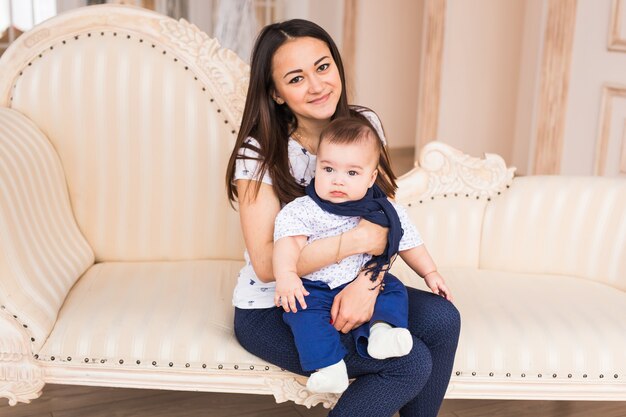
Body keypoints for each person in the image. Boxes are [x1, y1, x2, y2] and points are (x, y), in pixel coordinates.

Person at [225, 18, 460, 417]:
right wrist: (353, 244)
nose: (317, 86)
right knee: (409, 362)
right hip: (281, 303)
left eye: (322, 66)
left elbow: (384, 221)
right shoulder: (260, 152)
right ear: (276, 93)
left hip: (351, 279)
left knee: (444, 320)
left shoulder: (365, 126)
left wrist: (367, 287)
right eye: (296, 78)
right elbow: (267, 265)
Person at [272, 116, 452, 394]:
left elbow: (410, 244)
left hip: (361, 281)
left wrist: (430, 272)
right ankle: (330, 367)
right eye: (328, 168)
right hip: (316, 287)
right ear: (316, 167)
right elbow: (287, 246)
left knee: (392, 290)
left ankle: (382, 333)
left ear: (371, 178)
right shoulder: (303, 209)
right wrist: (286, 277)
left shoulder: (383, 210)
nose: (338, 180)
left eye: (352, 173)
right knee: (300, 312)